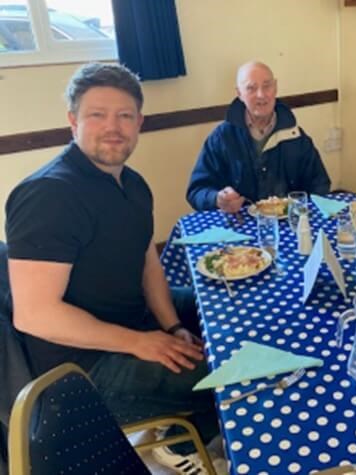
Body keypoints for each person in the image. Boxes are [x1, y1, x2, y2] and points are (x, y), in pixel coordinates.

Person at [5, 63, 222, 473]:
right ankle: (187, 442)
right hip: (83, 368)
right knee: (227, 373)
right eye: (96, 115)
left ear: (139, 122)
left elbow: (147, 263)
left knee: (224, 311)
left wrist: (171, 326)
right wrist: (141, 342)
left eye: (124, 116)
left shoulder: (133, 184)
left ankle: (196, 420)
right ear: (73, 121)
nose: (113, 127)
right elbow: (35, 314)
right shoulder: (48, 196)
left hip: (130, 320)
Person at [186, 61, 331, 212]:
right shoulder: (222, 137)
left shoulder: (296, 137)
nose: (261, 95)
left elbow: (320, 185)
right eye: (251, 88)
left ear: (275, 88)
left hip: (289, 226)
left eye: (267, 86)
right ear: (239, 94)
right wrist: (217, 199)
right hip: (239, 227)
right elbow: (196, 190)